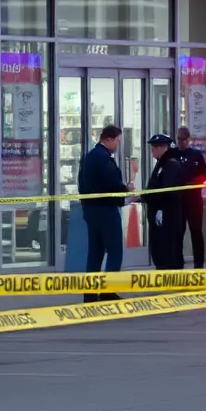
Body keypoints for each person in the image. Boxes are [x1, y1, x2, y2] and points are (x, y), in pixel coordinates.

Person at [77, 125, 132, 303]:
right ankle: (108, 291)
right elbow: (111, 185)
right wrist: (126, 190)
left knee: (95, 253)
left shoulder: (88, 157)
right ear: (108, 139)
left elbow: (81, 184)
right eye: (117, 141)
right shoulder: (104, 159)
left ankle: (90, 294)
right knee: (115, 251)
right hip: (106, 211)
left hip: (91, 211)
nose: (117, 145)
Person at [144, 133, 185, 269]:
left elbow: (168, 191)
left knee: (167, 251)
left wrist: (161, 209)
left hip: (168, 216)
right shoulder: (161, 164)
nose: (152, 150)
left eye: (154, 147)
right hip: (159, 215)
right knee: (158, 250)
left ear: (163, 147)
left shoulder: (171, 165)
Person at [174, 126, 206, 269]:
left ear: (189, 139)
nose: (181, 142)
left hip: (194, 201)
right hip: (178, 201)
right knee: (178, 234)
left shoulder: (196, 155)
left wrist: (196, 182)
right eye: (179, 139)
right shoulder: (173, 155)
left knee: (196, 233)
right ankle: (178, 265)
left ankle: (199, 265)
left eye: (184, 139)